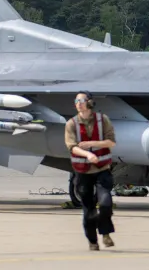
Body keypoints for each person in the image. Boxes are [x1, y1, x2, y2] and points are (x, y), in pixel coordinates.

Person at [65, 91, 117, 251]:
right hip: (82, 173)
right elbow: (72, 147)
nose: (79, 103)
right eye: (76, 100)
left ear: (90, 103)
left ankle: (106, 233)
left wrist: (93, 143)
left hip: (102, 169)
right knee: (89, 211)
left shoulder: (103, 120)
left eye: (82, 100)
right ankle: (93, 241)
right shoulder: (71, 124)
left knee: (106, 203)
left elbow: (111, 142)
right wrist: (88, 153)